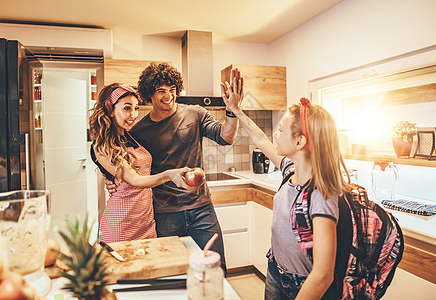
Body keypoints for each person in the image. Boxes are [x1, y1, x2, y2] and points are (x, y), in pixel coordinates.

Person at [106, 63, 242, 273]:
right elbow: (127, 167)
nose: (168, 95)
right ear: (149, 94)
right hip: (163, 213)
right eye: (161, 91)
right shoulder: (139, 131)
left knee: (216, 268)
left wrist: (232, 111)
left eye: (172, 89)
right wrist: (111, 180)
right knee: (172, 270)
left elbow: (226, 136)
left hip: (201, 209)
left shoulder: (195, 114)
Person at [221, 80, 351, 299]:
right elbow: (260, 140)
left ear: (299, 142)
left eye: (281, 130)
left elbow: (322, 275)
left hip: (302, 285)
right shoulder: (289, 170)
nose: (275, 135)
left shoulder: (321, 195)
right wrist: (236, 110)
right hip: (275, 271)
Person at [89, 83, 190, 243]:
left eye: (136, 108)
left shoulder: (132, 137)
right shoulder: (101, 146)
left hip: (145, 220)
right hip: (121, 222)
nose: (134, 115)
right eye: (127, 108)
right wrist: (170, 175)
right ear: (110, 110)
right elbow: (135, 180)